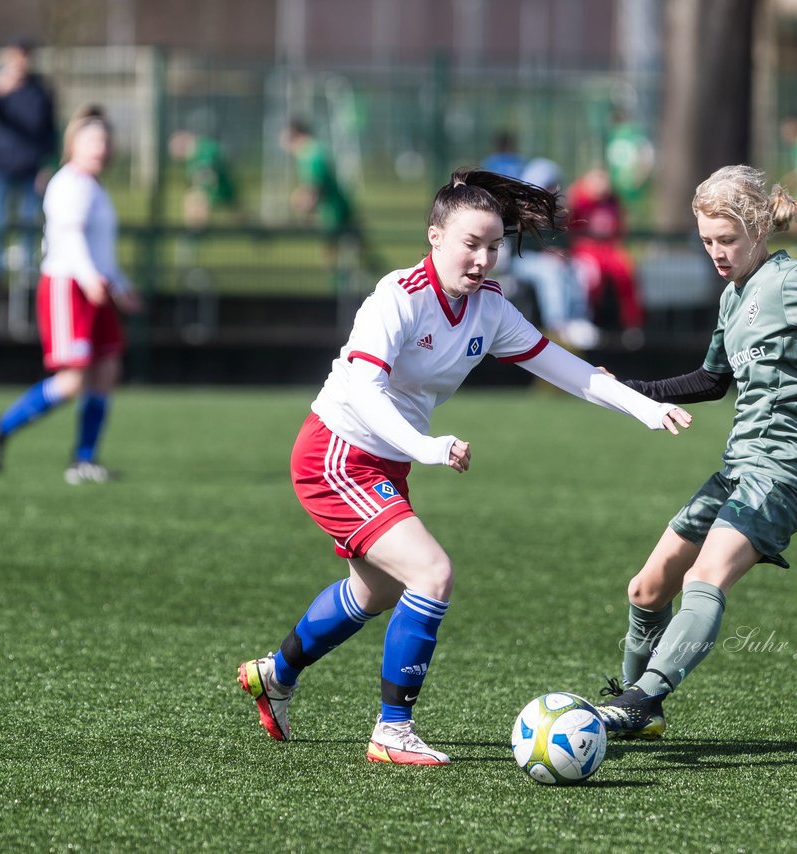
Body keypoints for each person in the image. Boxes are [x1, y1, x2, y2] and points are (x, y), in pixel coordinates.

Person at [237, 167, 693, 765]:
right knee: (431, 573)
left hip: (384, 460)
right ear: (435, 237)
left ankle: (276, 674)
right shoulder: (397, 297)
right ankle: (391, 730)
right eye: (470, 244)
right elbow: (368, 394)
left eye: (494, 246)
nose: (482, 259)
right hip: (337, 454)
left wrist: (641, 406)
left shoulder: (489, 309)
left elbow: (561, 365)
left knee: (374, 591)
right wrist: (428, 447)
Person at [590, 165, 797, 740]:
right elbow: (710, 380)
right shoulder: (732, 298)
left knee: (706, 576)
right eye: (706, 241)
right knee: (646, 589)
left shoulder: (790, 280)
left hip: (788, 466)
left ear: (757, 231)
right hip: (739, 467)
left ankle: (642, 699)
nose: (717, 252)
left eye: (727, 240)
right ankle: (634, 703)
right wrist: (627, 390)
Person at [0, 105, 142, 485]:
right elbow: (70, 239)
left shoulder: (95, 187)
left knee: (107, 369)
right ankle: (1, 427)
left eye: (104, 140)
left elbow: (103, 252)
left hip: (95, 287)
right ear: (74, 144)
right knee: (72, 380)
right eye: (92, 139)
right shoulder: (68, 184)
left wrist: (123, 287)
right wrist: (88, 279)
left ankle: (84, 459)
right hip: (69, 287)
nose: (100, 146)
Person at [0, 37, 57, 290]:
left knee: (30, 219)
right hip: (3, 164)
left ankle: (27, 267)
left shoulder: (40, 89)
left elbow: (49, 129)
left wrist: (48, 163)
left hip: (31, 166)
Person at [506, 157, 598, 349]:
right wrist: (545, 253)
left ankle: (578, 319)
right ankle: (557, 324)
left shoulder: (557, 212)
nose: (553, 189)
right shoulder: (520, 210)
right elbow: (519, 245)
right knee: (550, 271)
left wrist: (560, 254)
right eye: (549, 185)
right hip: (523, 262)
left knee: (580, 267)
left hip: (551, 260)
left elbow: (562, 242)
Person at [567, 164, 646, 349]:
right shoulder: (579, 199)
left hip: (609, 247)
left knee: (625, 270)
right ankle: (589, 322)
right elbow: (570, 229)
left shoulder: (612, 201)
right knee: (590, 276)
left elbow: (620, 228)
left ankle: (632, 324)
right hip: (585, 247)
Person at [280, 118, 367, 276]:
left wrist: (303, 206)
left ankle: (342, 289)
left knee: (333, 253)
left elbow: (315, 186)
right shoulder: (312, 151)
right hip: (336, 207)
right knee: (353, 249)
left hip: (333, 210)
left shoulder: (309, 153)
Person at [168, 129, 241, 230]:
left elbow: (210, 173)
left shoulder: (206, 148)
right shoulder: (190, 158)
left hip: (220, 188)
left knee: (193, 199)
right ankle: (194, 231)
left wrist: (200, 186)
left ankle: (193, 233)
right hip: (211, 189)